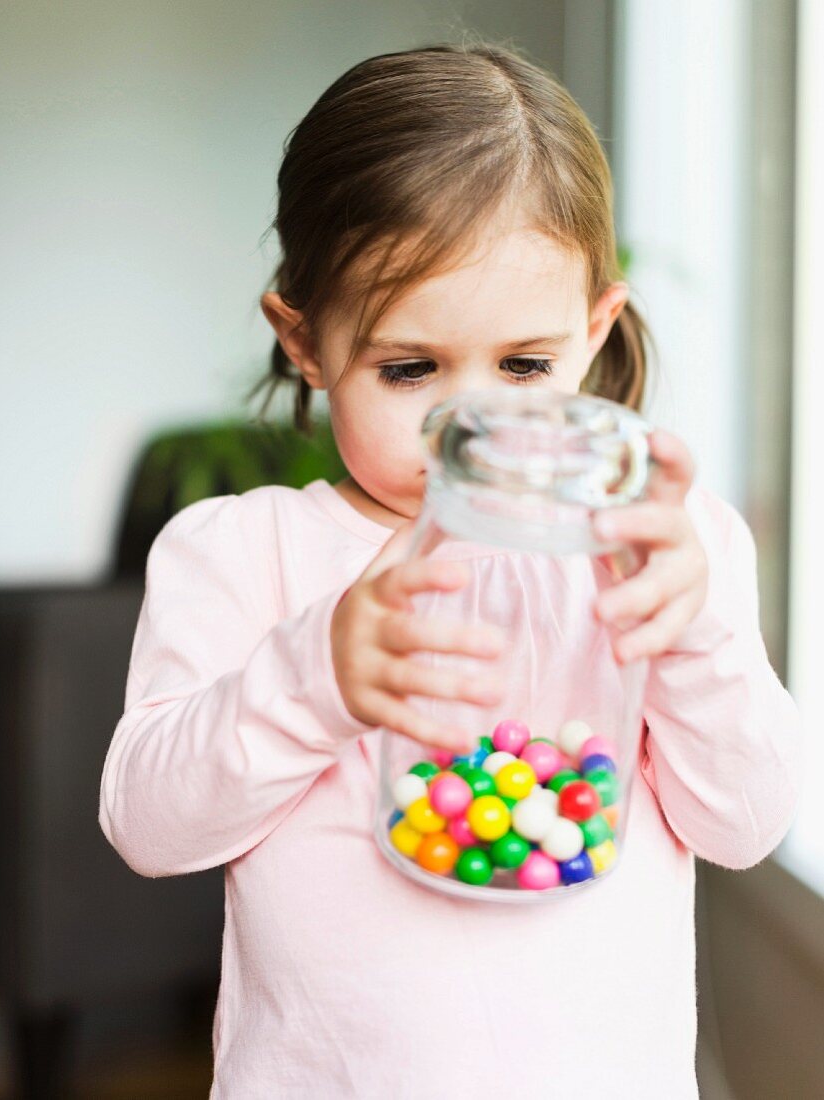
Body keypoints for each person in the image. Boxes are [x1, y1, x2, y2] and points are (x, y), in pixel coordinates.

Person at [99, 42, 801, 1098]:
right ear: (304, 339)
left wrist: (694, 631)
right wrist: (313, 672)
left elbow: (746, 824)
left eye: (525, 364)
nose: (471, 422)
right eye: (409, 367)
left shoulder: (665, 544)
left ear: (593, 328)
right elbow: (147, 824)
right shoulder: (243, 553)